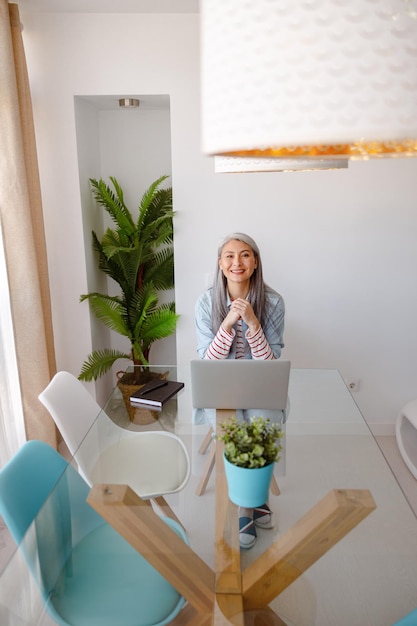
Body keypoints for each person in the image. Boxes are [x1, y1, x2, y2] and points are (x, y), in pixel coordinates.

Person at [195, 232, 285, 549]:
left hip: (260, 383)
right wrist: (228, 324)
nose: (237, 262)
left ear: (255, 262)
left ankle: (252, 499)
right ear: (220, 264)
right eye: (230, 256)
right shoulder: (206, 303)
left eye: (245, 255)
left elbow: (269, 364)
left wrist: (253, 323)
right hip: (219, 384)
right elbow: (208, 362)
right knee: (234, 430)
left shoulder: (273, 302)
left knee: (263, 425)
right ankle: (246, 506)